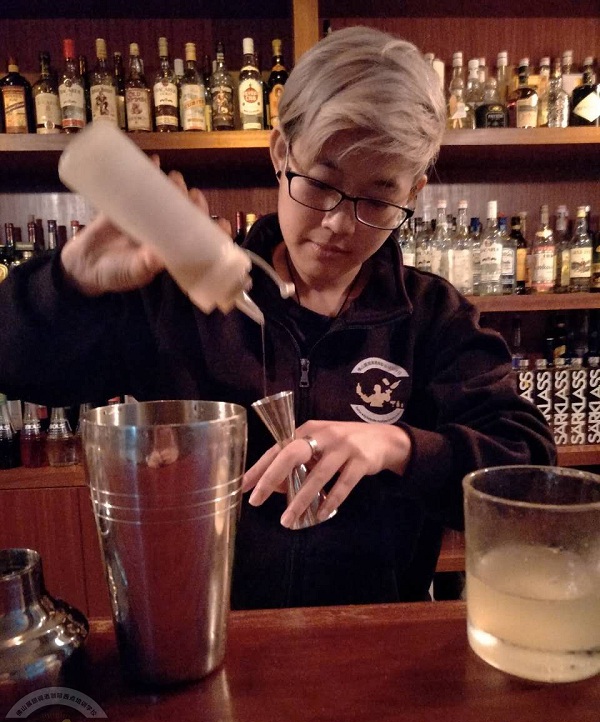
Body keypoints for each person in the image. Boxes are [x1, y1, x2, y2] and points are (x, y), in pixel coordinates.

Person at [0, 27, 555, 608]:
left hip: (377, 636)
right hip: (209, 630)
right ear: (280, 153)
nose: (339, 223)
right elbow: (16, 369)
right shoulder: (175, 298)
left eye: (376, 198)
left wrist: (398, 447)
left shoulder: (434, 317)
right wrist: (69, 281)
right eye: (321, 183)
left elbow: (529, 477)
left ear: (412, 193)